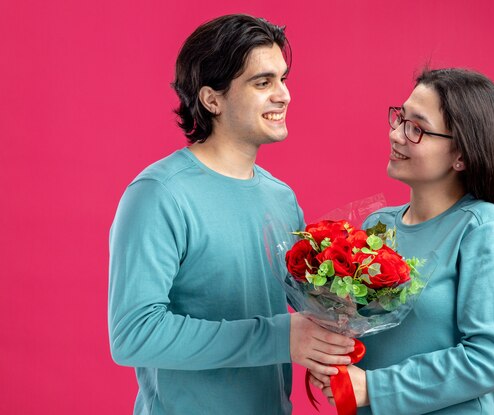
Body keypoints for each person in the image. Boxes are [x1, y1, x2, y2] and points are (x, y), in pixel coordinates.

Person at [108, 14, 354, 415]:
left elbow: (298, 311)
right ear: (212, 99)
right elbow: (134, 335)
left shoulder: (281, 197)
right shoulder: (159, 195)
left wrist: (343, 309)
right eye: (263, 83)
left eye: (283, 79)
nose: (283, 95)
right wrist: (280, 337)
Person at [309, 68, 494, 414]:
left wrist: (373, 387)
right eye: (399, 119)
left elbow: (490, 360)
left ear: (462, 156)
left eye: (417, 129)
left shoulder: (482, 230)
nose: (396, 135)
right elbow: (362, 332)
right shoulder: (377, 227)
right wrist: (331, 355)